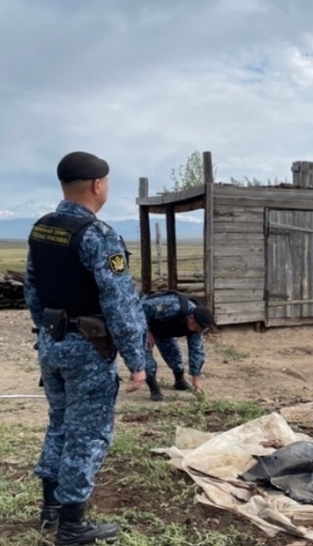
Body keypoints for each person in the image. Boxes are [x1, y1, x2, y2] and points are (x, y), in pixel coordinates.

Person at [24, 151, 147, 545]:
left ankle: (51, 511)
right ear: (97, 185)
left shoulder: (42, 229)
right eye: (107, 182)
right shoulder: (98, 235)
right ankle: (73, 526)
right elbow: (120, 303)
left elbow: (32, 290)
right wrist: (137, 361)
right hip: (88, 349)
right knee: (87, 433)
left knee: (59, 423)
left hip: (51, 341)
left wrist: (47, 331)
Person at [140, 290, 213, 401]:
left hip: (164, 329)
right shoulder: (173, 306)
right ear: (191, 318)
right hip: (143, 322)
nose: (198, 331)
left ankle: (179, 381)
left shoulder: (197, 325)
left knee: (175, 356)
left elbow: (196, 351)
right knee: (147, 358)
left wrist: (196, 378)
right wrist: (147, 331)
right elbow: (142, 307)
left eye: (201, 330)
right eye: (197, 328)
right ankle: (154, 389)